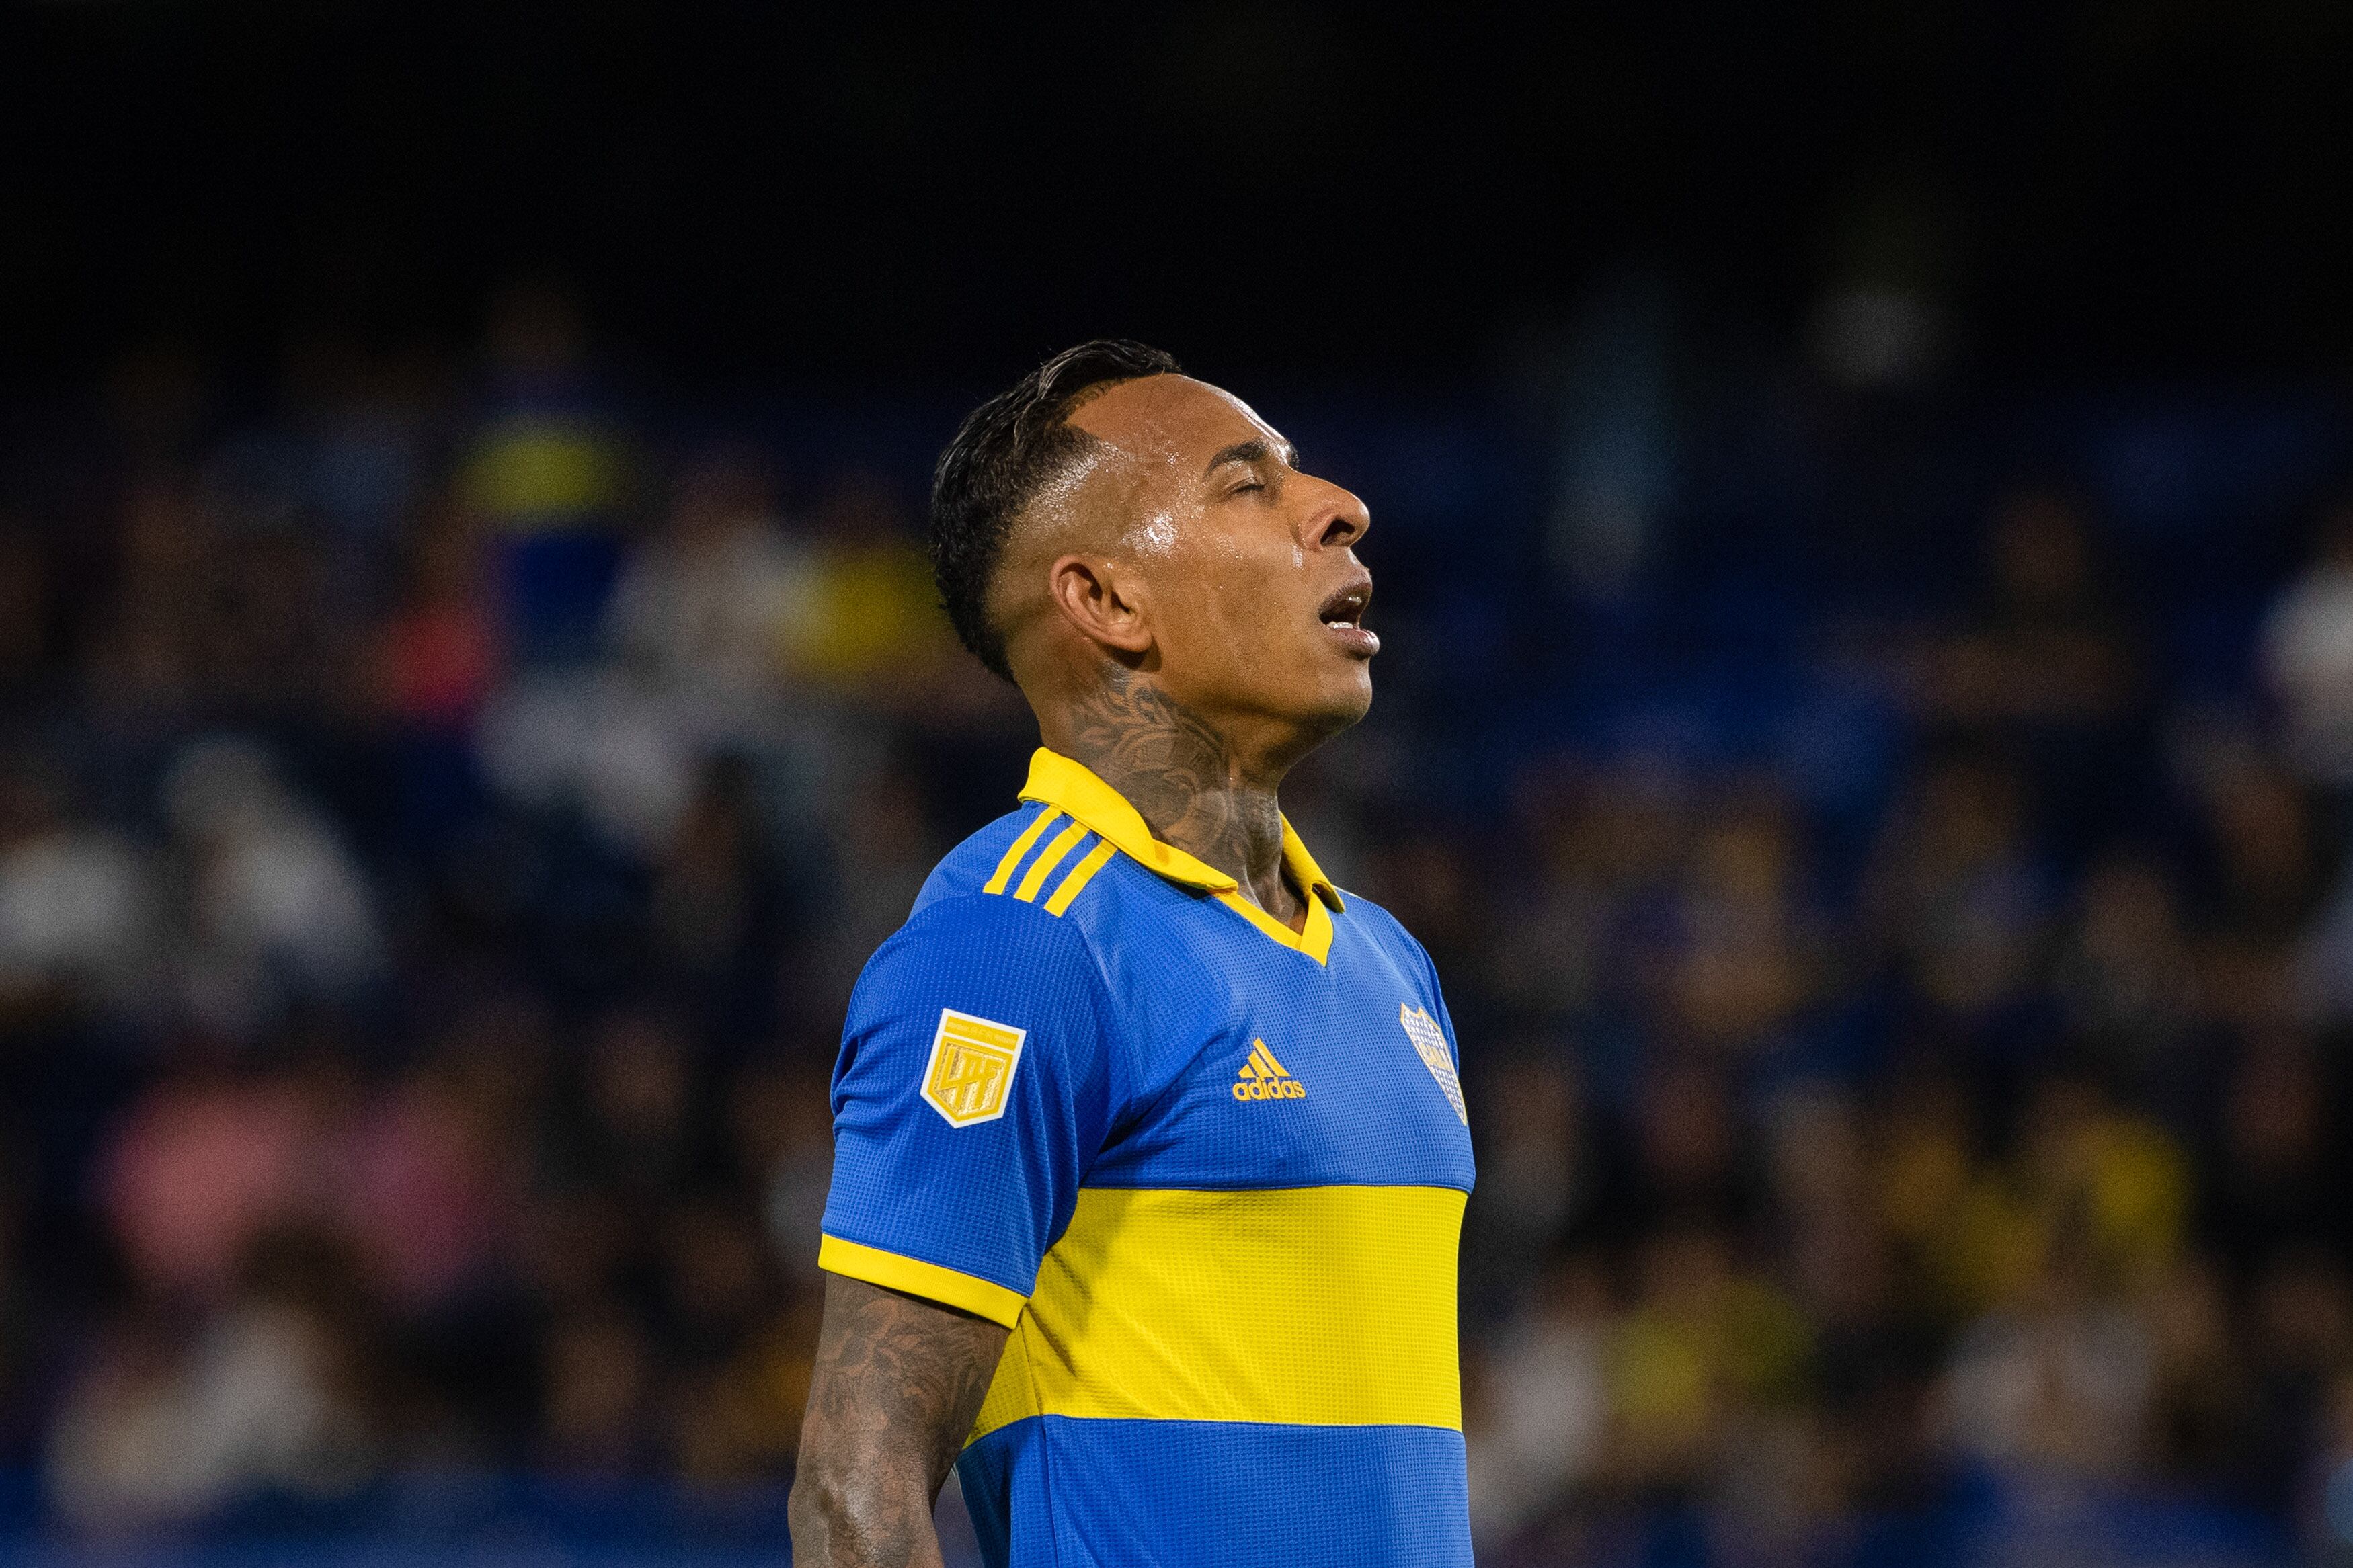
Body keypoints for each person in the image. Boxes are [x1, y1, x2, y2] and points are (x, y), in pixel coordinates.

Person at [788, 341, 1476, 1567]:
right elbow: (857, 1488)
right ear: (1107, 602)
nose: (1340, 508)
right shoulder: (1020, 942)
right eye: (1247, 484)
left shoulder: (1390, 962)